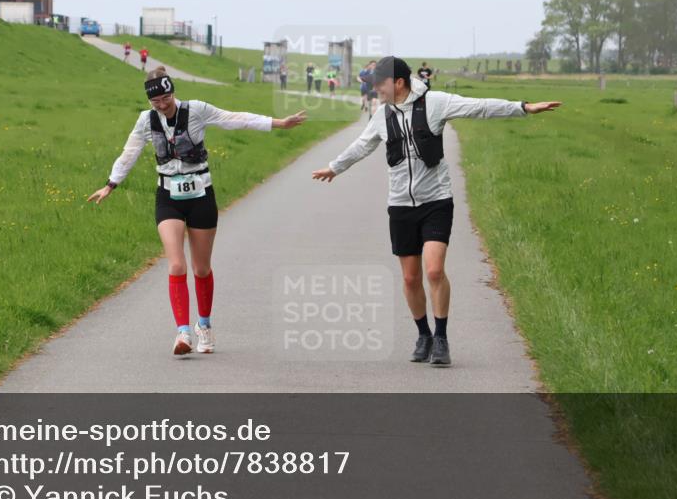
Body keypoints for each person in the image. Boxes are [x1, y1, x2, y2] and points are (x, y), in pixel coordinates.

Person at [311, 57, 561, 366]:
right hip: (401, 204)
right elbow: (362, 146)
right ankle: (423, 334)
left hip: (436, 201)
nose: (375, 88)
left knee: (433, 270)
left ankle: (441, 337)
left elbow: (477, 107)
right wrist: (335, 168)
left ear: (398, 82)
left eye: (379, 83)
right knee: (411, 277)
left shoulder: (435, 103)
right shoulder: (381, 115)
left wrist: (522, 107)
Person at [88, 67, 307, 355]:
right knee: (176, 264)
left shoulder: (197, 111)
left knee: (201, 269)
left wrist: (279, 123)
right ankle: (182, 332)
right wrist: (111, 184)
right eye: (156, 102)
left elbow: (235, 119)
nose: (162, 105)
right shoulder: (146, 120)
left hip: (201, 195)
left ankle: (204, 325)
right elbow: (129, 153)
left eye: (166, 98)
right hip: (168, 196)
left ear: (173, 92)